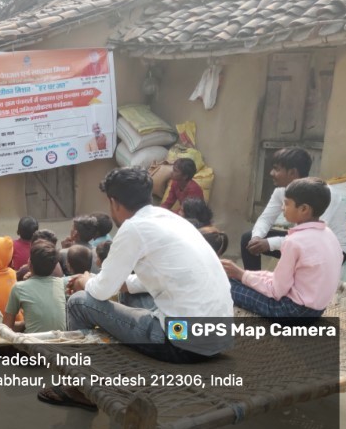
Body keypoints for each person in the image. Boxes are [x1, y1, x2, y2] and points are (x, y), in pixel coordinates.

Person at [37, 166, 233, 410]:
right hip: (220, 335)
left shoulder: (133, 228)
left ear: (113, 202)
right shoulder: (171, 219)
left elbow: (99, 291)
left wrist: (85, 280)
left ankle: (83, 390)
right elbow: (166, 276)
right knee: (127, 294)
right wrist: (124, 284)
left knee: (78, 301)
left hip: (183, 340)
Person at [223, 178, 341, 319]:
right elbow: (280, 280)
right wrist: (244, 274)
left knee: (227, 284)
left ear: (304, 209)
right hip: (317, 309)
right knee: (241, 280)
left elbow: (276, 291)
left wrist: (241, 275)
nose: (282, 208)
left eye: (286, 203)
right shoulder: (329, 234)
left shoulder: (294, 242)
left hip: (292, 311)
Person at [241, 147, 346, 270]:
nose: (271, 173)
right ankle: (252, 280)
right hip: (302, 240)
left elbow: (314, 237)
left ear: (292, 172)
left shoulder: (324, 193)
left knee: (296, 249)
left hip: (330, 249)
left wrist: (270, 243)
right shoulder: (280, 191)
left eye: (276, 169)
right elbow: (265, 219)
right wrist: (256, 238)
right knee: (248, 240)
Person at [4, 240, 66, 334]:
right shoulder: (62, 283)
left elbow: (7, 327)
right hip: (61, 341)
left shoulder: (19, 288)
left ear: (29, 263)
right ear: (54, 267)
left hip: (32, 342)